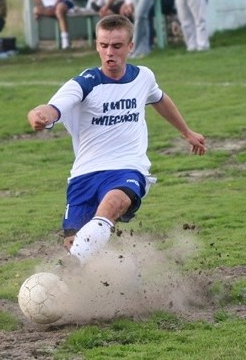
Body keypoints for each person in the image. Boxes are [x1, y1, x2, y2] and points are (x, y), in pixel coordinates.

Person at [27, 14, 206, 268]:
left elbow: (159, 99)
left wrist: (186, 132)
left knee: (113, 203)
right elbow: (52, 108)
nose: (109, 52)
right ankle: (107, 284)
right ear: (97, 46)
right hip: (84, 174)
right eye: (103, 46)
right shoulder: (84, 84)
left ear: (130, 46)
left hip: (127, 168)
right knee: (75, 242)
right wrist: (39, 115)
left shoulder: (143, 77)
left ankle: (70, 269)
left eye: (117, 46)